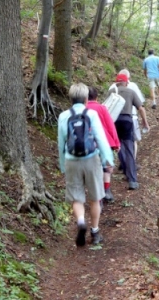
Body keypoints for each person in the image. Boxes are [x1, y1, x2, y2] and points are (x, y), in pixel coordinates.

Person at [58, 83, 114, 247]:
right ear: (85, 99)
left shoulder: (63, 116)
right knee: (95, 197)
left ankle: (81, 221)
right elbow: (100, 139)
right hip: (91, 159)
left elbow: (61, 142)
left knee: (76, 197)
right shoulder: (91, 114)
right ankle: (95, 232)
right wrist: (107, 159)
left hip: (71, 160)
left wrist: (62, 165)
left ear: (70, 98)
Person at [107, 73, 150, 190]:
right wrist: (145, 122)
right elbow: (141, 107)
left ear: (116, 82)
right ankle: (132, 180)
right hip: (127, 120)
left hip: (114, 122)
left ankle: (124, 171)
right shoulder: (131, 92)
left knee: (118, 146)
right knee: (130, 149)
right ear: (127, 82)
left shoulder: (112, 91)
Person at [87, 86, 120, 203]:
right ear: (96, 97)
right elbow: (110, 126)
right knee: (106, 168)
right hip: (104, 142)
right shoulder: (102, 108)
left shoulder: (81, 109)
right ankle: (107, 191)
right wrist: (116, 143)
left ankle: (97, 196)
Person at [109, 69, 145, 160]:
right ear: (127, 79)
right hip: (132, 116)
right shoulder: (132, 86)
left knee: (119, 141)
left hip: (115, 118)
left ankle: (123, 161)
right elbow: (141, 104)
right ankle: (132, 161)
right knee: (133, 141)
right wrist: (145, 121)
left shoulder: (111, 88)